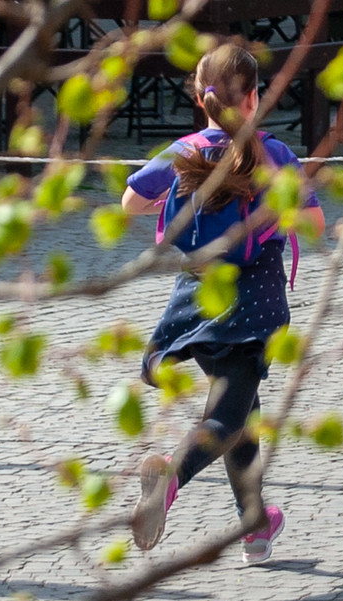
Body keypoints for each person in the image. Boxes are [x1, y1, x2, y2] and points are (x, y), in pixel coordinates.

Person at [126, 44, 316, 562]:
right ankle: (172, 476)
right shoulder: (274, 154)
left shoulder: (184, 151)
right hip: (253, 305)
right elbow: (315, 223)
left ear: (200, 96)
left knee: (241, 411)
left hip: (195, 301)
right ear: (254, 98)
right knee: (228, 417)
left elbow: (130, 202)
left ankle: (255, 526)